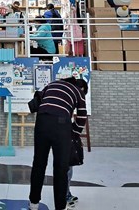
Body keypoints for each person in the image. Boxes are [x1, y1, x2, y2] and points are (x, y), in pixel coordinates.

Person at [29, 77, 88, 210]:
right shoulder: (78, 91)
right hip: (61, 123)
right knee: (61, 168)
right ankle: (60, 207)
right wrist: (74, 133)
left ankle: (33, 203)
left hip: (42, 121)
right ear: (82, 88)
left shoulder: (53, 84)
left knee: (38, 163)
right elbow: (82, 116)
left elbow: (39, 98)